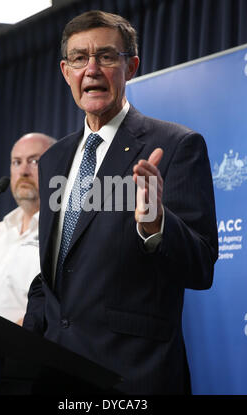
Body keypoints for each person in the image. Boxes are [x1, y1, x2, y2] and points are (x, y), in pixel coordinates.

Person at [23, 11, 218, 394]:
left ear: (131, 66)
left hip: (132, 378)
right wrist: (25, 342)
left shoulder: (176, 145)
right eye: (79, 58)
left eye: (106, 56)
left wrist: (155, 225)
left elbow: (202, 267)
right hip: (56, 375)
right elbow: (56, 272)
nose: (91, 69)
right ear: (66, 72)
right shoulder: (53, 160)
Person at [0, 132, 56, 325]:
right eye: (16, 162)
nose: (23, 171)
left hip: (20, 351)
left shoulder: (62, 235)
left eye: (34, 161)